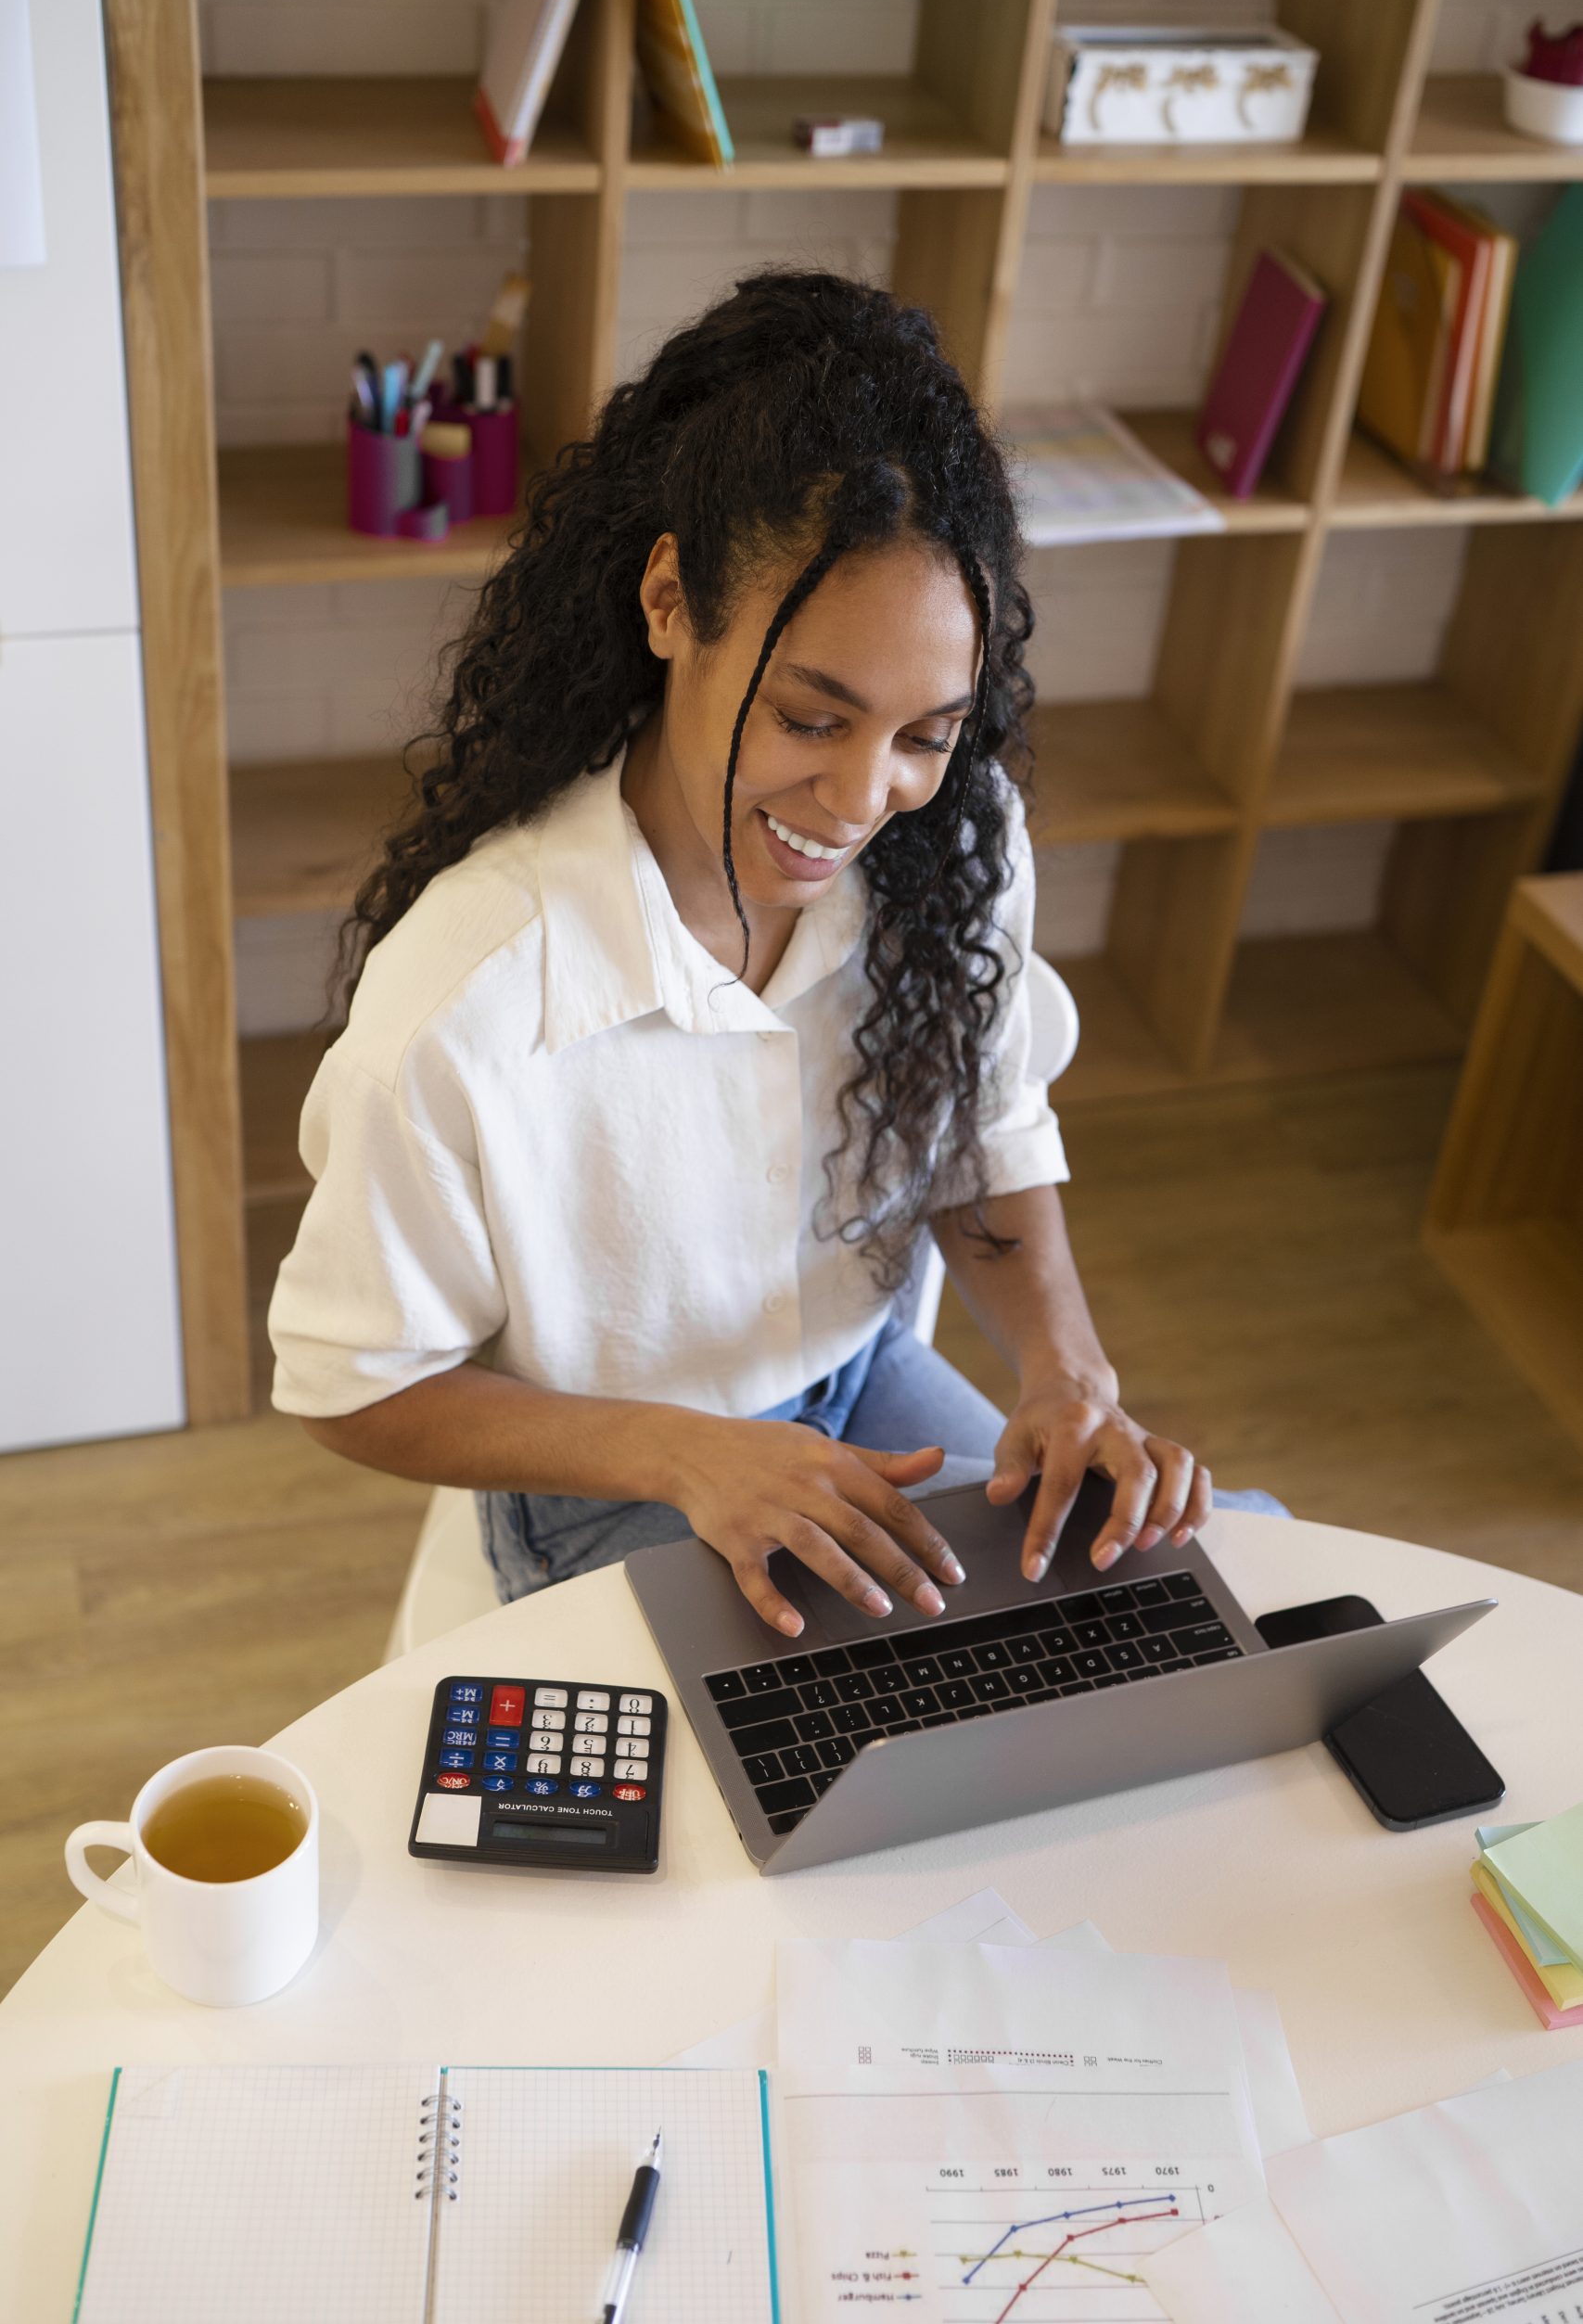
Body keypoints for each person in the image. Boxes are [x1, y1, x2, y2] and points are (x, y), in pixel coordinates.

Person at [269, 270, 1279, 1643]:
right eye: (812, 718)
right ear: (672, 600)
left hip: (858, 1387)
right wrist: (690, 1457)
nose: (865, 801)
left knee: (1157, 1608)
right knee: (819, 1789)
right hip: (610, 1474)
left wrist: (1066, 1369)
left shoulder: (952, 848)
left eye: (926, 734)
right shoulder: (473, 996)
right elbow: (352, 1383)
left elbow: (983, 1126)